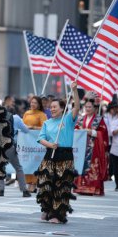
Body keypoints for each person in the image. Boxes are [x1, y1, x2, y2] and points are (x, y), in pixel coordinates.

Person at [35, 81, 80, 224]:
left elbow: (77, 107)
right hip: (50, 155)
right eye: (51, 107)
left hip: (65, 156)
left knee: (62, 186)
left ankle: (57, 214)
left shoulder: (68, 119)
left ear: (62, 108)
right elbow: (41, 138)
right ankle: (46, 209)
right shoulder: (47, 123)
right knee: (46, 184)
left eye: (55, 107)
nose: (52, 109)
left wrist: (74, 91)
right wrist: (50, 144)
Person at [74, 94, 108, 196]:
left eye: (90, 107)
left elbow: (103, 133)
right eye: (86, 107)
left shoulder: (99, 119)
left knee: (93, 166)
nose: (88, 109)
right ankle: (80, 187)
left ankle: (93, 187)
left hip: (94, 148)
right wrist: (77, 130)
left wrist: (92, 132)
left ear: (94, 108)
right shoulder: (80, 119)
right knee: (80, 166)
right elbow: (75, 129)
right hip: (81, 147)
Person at [0, 107, 31, 197]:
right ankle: (24, 190)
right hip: (10, 146)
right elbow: (26, 130)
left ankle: (1, 190)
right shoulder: (16, 118)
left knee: (0, 167)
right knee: (18, 168)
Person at [22, 96, 48, 193]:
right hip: (27, 143)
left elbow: (45, 128)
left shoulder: (42, 115)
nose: (33, 104)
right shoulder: (26, 113)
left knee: (35, 162)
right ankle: (28, 182)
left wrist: (33, 127)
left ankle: (34, 183)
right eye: (32, 102)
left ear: (39, 104)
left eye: (35, 103)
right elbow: (22, 125)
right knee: (27, 161)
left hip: (37, 143)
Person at [103, 101, 118, 180]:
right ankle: (105, 173)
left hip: (115, 139)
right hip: (106, 139)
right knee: (106, 157)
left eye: (116, 108)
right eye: (113, 108)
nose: (114, 110)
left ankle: (110, 174)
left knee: (112, 158)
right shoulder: (105, 116)